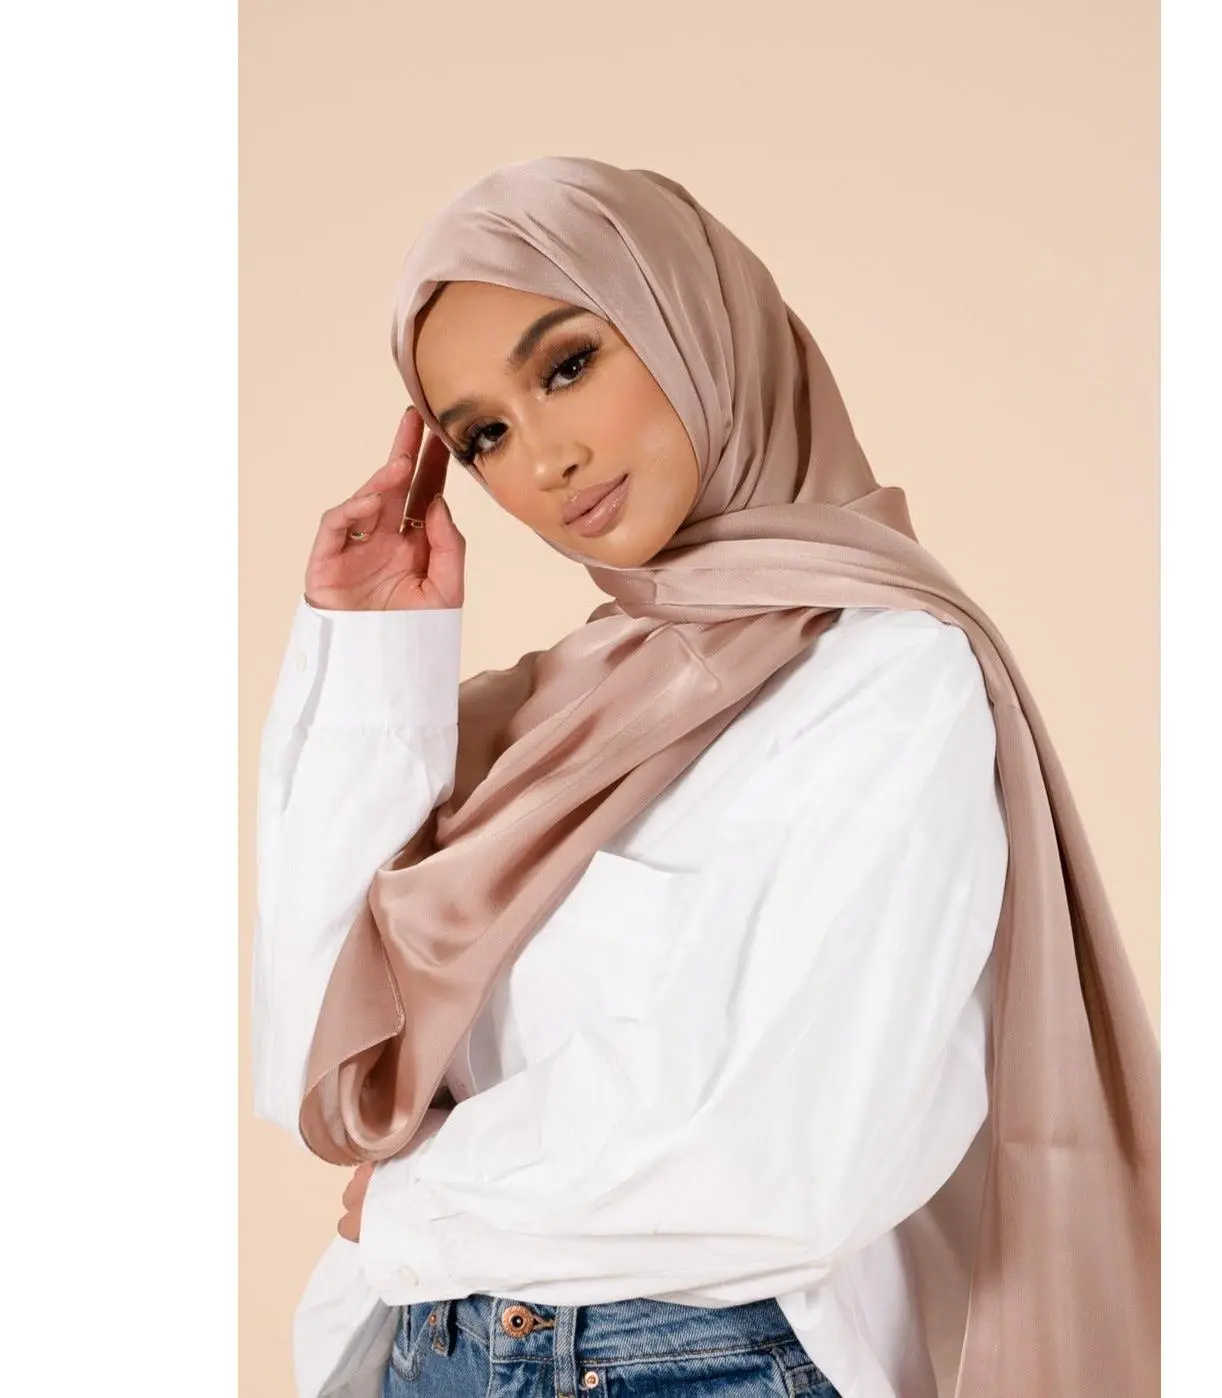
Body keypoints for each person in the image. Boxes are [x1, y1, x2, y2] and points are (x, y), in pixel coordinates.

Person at [251, 157, 1159, 1398]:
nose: (547, 459)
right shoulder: (555, 714)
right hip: (433, 1352)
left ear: (693, 322)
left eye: (567, 365)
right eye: (485, 437)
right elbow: (318, 1056)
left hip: (689, 1369)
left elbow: (790, 1152)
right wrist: (372, 653)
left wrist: (423, 1199)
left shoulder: (885, 678)